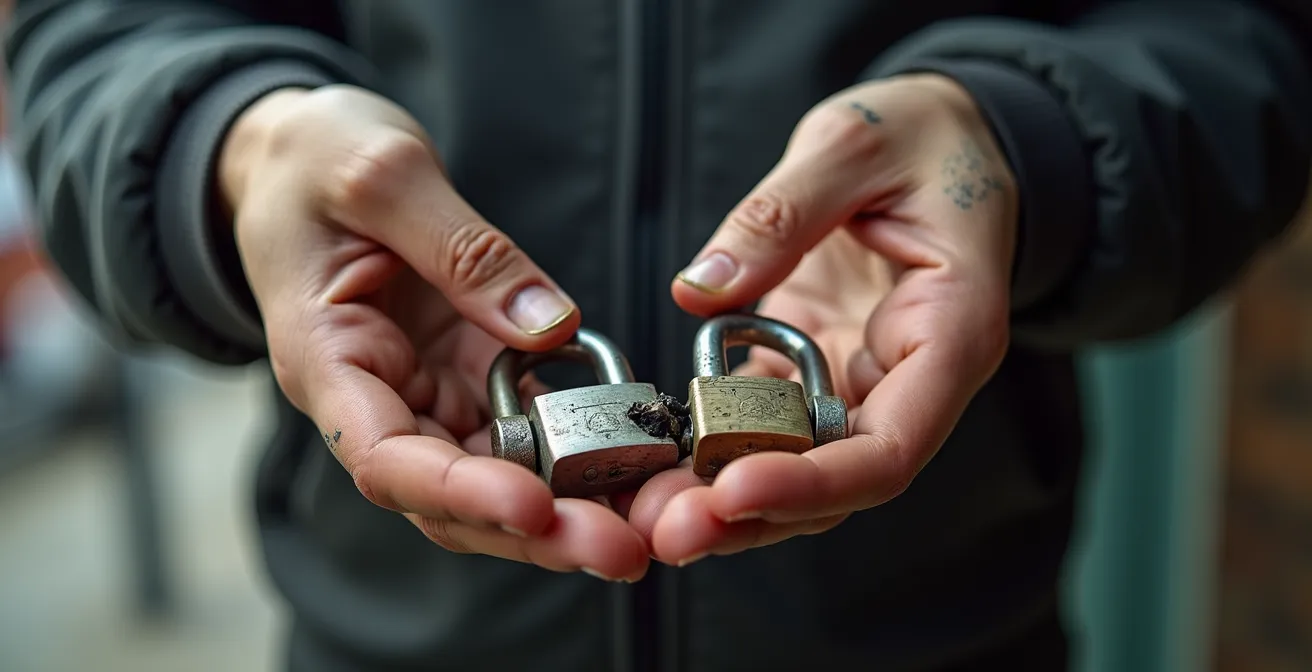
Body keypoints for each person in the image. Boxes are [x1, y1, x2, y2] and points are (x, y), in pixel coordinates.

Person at [5, 1, 1311, 670]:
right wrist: (232, 147)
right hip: (394, 644)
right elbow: (93, 34)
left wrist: (1027, 150)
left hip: (939, 637)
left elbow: (1242, 40)